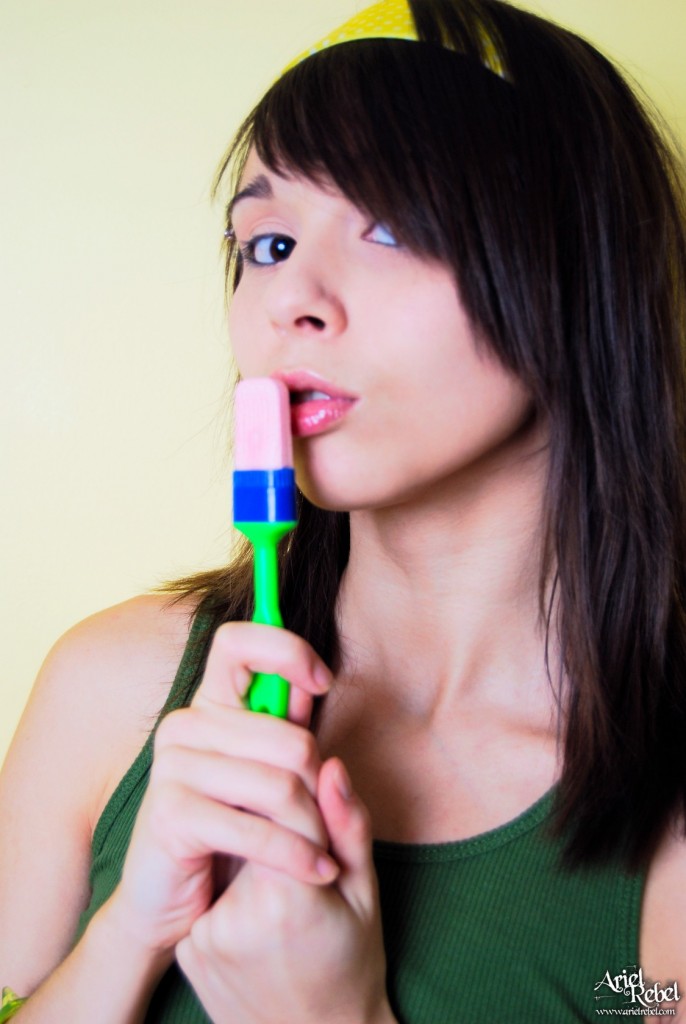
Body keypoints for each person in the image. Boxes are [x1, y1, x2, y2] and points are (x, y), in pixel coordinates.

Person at [2, 0, 686, 1020]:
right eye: (269, 243)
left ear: (580, 268)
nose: (290, 300)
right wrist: (129, 931)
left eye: (394, 225)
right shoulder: (113, 689)